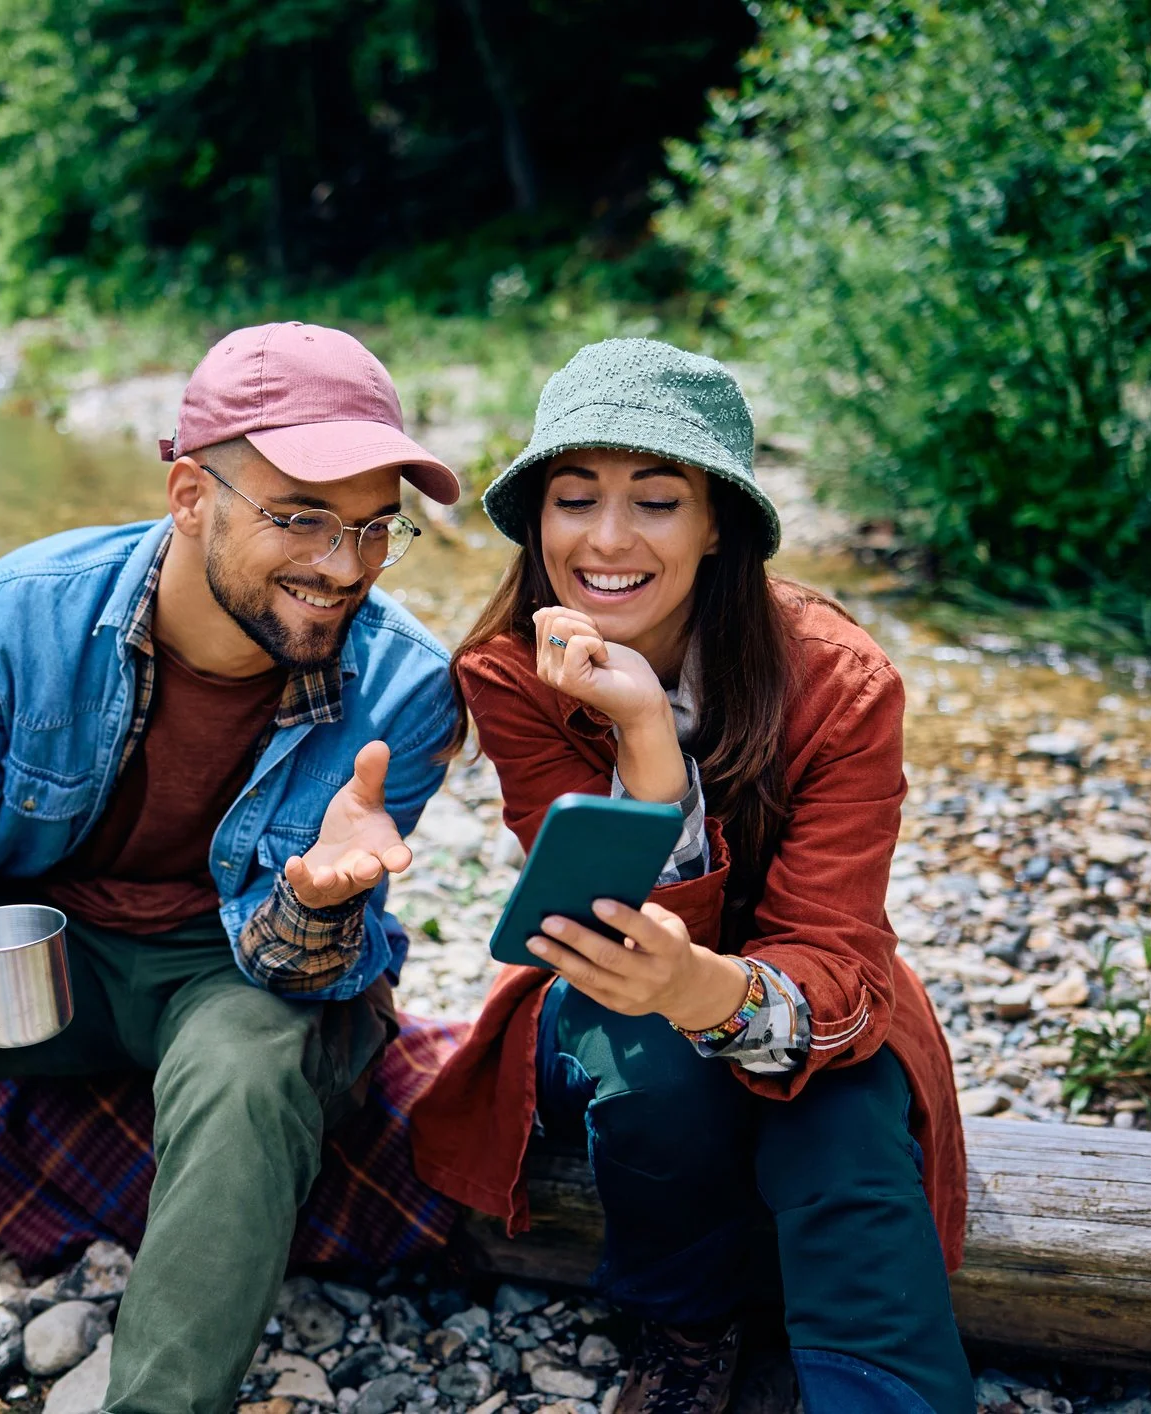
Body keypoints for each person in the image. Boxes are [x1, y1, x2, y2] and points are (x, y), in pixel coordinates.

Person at [0, 322, 463, 1414]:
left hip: (241, 970)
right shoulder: (20, 612)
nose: (342, 565)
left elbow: (297, 973)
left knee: (252, 1072)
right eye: (300, 516)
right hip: (60, 957)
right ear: (190, 495)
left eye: (373, 526)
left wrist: (310, 901)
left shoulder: (406, 685)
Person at [410, 340, 972, 1414]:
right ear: (537, 518)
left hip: (817, 993)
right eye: (574, 498)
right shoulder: (508, 671)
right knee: (646, 1057)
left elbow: (835, 939)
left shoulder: (845, 683)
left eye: (657, 501)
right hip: (608, 994)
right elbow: (594, 924)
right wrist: (642, 737)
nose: (607, 538)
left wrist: (711, 991)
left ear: (718, 523)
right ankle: (685, 1325)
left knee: (845, 1122)